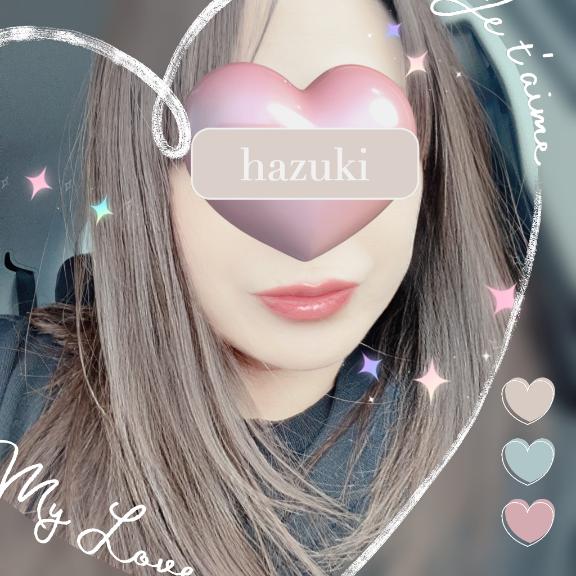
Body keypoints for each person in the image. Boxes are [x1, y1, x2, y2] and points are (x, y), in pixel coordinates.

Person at [0, 1, 525, 574]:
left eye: (362, 150)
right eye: (242, 153)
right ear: (141, 175)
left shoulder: (504, 452)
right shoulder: (16, 392)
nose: (308, 229)